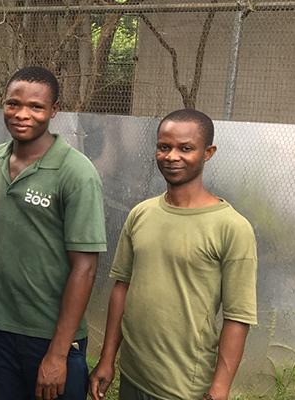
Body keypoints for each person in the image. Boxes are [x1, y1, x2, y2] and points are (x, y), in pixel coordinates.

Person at [89, 109, 257, 400]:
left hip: (184, 388)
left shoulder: (232, 228)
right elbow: (121, 288)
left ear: (208, 153)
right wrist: (107, 359)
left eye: (186, 148)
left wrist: (220, 388)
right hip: (133, 375)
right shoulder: (141, 214)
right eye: (164, 147)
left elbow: (237, 317)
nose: (172, 156)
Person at [0, 66, 107, 400]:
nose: (22, 114)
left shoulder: (76, 172)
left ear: (54, 111)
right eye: (13, 104)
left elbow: (86, 267)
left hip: (51, 337)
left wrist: (58, 353)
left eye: (36, 107)